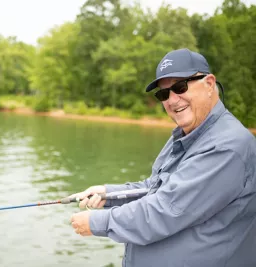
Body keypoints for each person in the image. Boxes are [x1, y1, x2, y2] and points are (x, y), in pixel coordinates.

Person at [69, 48, 256, 267]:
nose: (172, 100)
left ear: (209, 84)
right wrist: (109, 193)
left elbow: (166, 209)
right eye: (163, 94)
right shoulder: (185, 134)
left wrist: (98, 222)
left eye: (180, 87)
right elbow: (156, 187)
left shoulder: (227, 146)